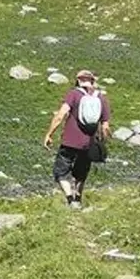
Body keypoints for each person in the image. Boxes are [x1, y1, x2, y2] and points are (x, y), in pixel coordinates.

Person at [42, 69, 110, 209]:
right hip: (88, 143)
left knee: (60, 171)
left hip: (69, 142)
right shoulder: (101, 98)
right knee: (81, 172)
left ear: (78, 80)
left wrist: (49, 134)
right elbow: (105, 126)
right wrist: (102, 143)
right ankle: (78, 199)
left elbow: (61, 115)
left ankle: (69, 199)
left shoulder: (73, 94)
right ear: (92, 81)